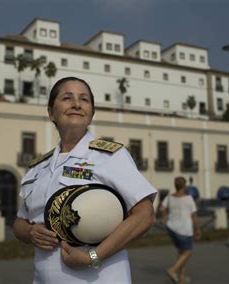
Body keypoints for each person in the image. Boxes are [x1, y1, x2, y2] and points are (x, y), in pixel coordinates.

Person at [12, 76, 157, 283]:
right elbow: (20, 221)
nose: (77, 104)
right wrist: (29, 232)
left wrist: (93, 257)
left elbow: (145, 215)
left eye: (84, 99)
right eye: (67, 98)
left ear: (91, 115)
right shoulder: (38, 168)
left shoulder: (109, 156)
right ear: (51, 112)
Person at [160, 176, 201, 284]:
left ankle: (182, 278)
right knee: (188, 252)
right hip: (185, 230)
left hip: (172, 228)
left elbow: (162, 208)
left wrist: (165, 219)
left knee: (181, 252)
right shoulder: (189, 198)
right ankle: (173, 270)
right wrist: (197, 230)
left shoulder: (169, 197)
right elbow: (194, 217)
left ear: (175, 185)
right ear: (184, 185)